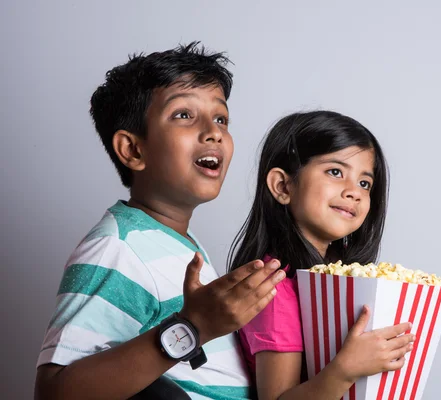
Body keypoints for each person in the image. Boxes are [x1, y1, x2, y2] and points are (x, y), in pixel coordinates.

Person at [34, 42, 285, 400]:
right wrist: (193, 327)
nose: (214, 132)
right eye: (184, 114)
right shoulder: (117, 247)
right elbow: (54, 392)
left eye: (221, 118)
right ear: (133, 150)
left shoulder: (173, 242)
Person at [229, 111, 415, 399]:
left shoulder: (337, 284)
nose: (354, 191)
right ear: (283, 186)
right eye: (336, 172)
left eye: (365, 183)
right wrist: (346, 369)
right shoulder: (274, 288)